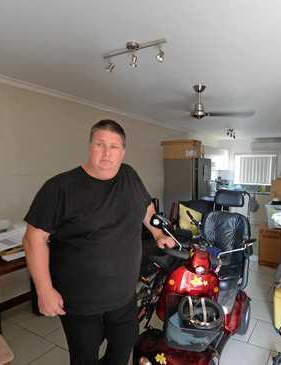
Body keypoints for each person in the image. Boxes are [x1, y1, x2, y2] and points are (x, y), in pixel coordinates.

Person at [22, 119, 175, 365]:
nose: (107, 152)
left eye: (114, 146)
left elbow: (146, 207)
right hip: (81, 301)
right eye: (100, 144)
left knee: (124, 345)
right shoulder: (60, 188)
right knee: (85, 358)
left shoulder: (129, 175)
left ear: (122, 151)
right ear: (90, 146)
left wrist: (157, 233)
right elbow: (33, 240)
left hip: (124, 295)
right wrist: (44, 290)